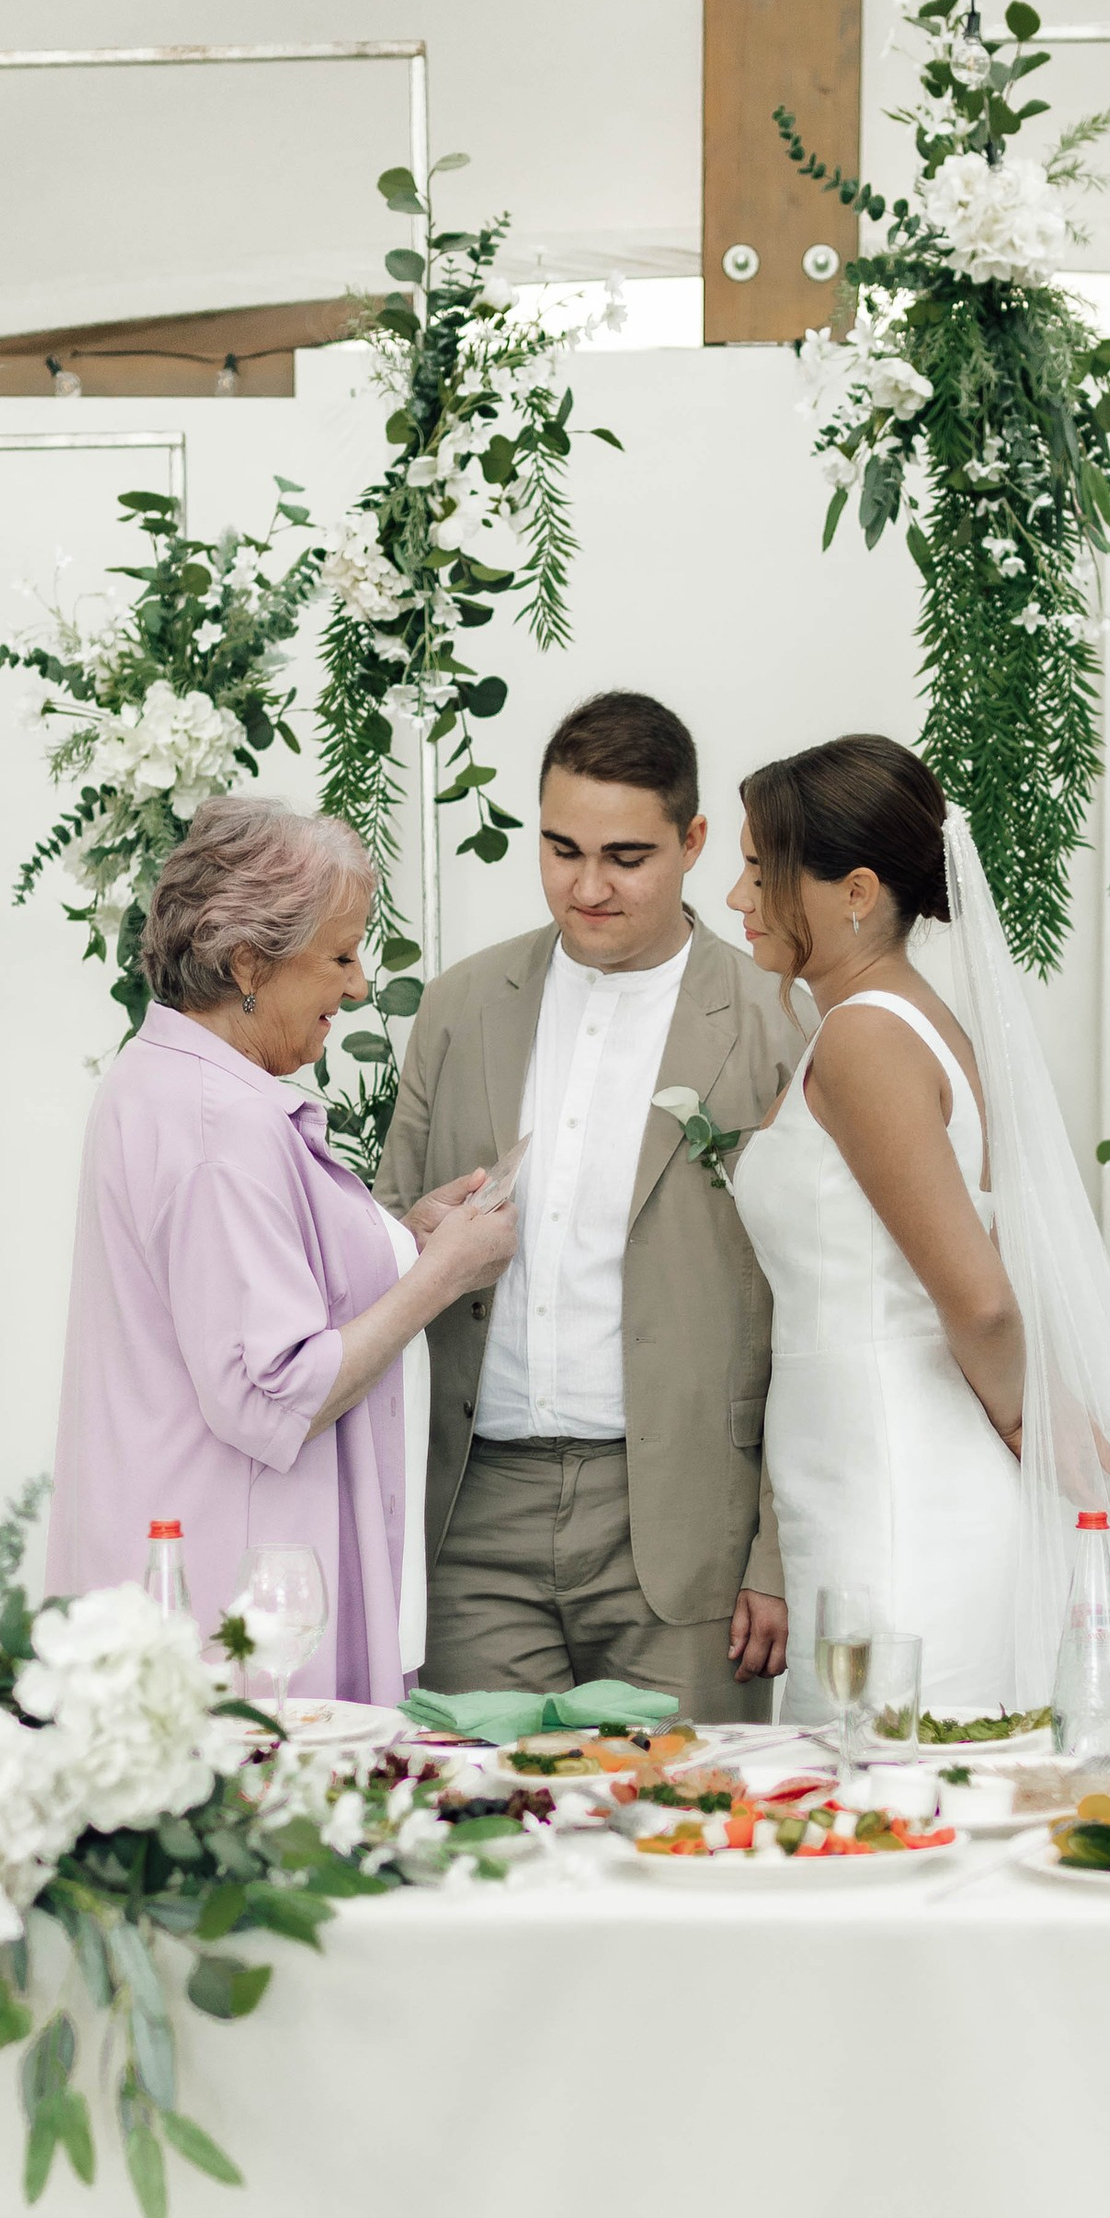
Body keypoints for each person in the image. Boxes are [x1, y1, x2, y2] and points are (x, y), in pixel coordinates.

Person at [727, 733, 1110, 1732]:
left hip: (894, 1489)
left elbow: (980, 1297)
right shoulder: (904, 1020)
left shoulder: (866, 1038)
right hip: (862, 1476)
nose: (738, 899)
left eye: (756, 870)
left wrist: (1028, 1429)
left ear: (854, 891)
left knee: (887, 1787)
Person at [375, 690, 806, 1716]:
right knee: (483, 1843)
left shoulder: (774, 1020)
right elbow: (385, 1227)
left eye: (626, 856)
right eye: (562, 849)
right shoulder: (462, 1004)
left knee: (683, 1841)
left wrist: (776, 1552)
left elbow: (816, 1305)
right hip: (474, 1515)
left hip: (687, 1518)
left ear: (693, 840)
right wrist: (415, 1230)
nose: (587, 886)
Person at [46, 796, 516, 1703]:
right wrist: (442, 1276)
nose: (358, 984)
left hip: (180, 1567)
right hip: (237, 1601)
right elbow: (271, 1392)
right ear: (247, 961)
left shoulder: (163, 1081)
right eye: (340, 954)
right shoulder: (226, 1124)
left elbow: (247, 1287)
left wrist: (397, 1240)